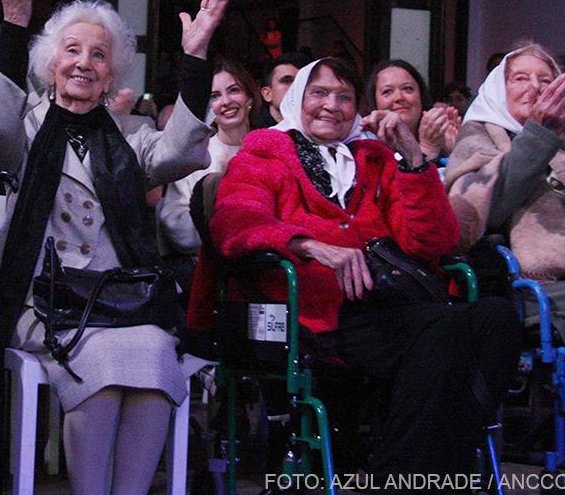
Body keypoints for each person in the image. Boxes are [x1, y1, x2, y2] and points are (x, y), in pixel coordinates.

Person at [190, 57, 521, 488]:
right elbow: (235, 222)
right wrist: (307, 245)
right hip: (311, 311)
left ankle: (421, 466)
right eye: (319, 94)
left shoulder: (375, 158)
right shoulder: (262, 152)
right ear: (296, 100)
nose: (332, 105)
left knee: (497, 318)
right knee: (442, 329)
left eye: (344, 97)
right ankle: (407, 477)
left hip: (388, 303)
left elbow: (434, 242)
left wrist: (415, 158)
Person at [0, 0, 225, 495]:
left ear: (111, 70)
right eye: (72, 50)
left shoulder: (129, 136)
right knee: (109, 354)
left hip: (120, 301)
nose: (84, 63)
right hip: (44, 301)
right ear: (50, 62)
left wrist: (194, 61)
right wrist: (13, 22)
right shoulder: (25, 131)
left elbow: (183, 154)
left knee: (156, 350)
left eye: (98, 55)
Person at [447, 42, 565, 366]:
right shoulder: (478, 137)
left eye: (545, 80)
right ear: (499, 90)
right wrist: (540, 136)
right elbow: (483, 213)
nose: (535, 87)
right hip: (536, 287)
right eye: (520, 79)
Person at [157, 60, 257, 297]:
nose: (226, 101)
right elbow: (174, 222)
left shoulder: (270, 146)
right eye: (215, 95)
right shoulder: (196, 155)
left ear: (250, 97)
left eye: (234, 90)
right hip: (209, 271)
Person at [364, 59, 461, 161]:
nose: (399, 97)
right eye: (387, 91)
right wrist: (427, 150)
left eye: (407, 88)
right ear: (374, 101)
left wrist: (456, 151)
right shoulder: (366, 148)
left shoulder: (441, 138)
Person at [253, 51, 309, 129]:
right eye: (286, 81)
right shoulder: (252, 134)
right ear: (267, 94)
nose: (296, 87)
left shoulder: (317, 132)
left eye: (301, 82)